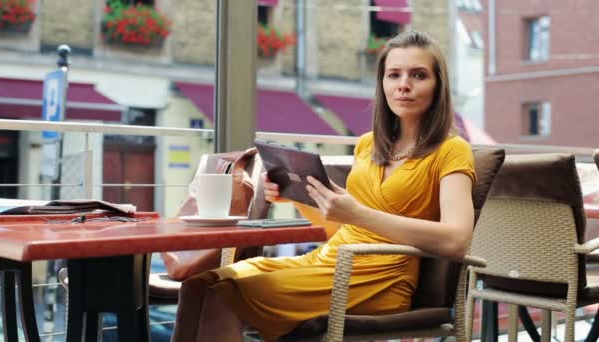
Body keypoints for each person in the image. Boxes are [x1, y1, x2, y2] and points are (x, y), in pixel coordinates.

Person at [171, 30, 476, 342]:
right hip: (328, 260)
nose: (403, 85)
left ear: (438, 85)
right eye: (393, 74)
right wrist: (297, 195)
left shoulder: (452, 150)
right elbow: (339, 229)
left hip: (380, 278)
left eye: (419, 75)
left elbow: (456, 241)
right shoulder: (368, 145)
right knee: (199, 286)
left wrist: (357, 214)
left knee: (224, 295)